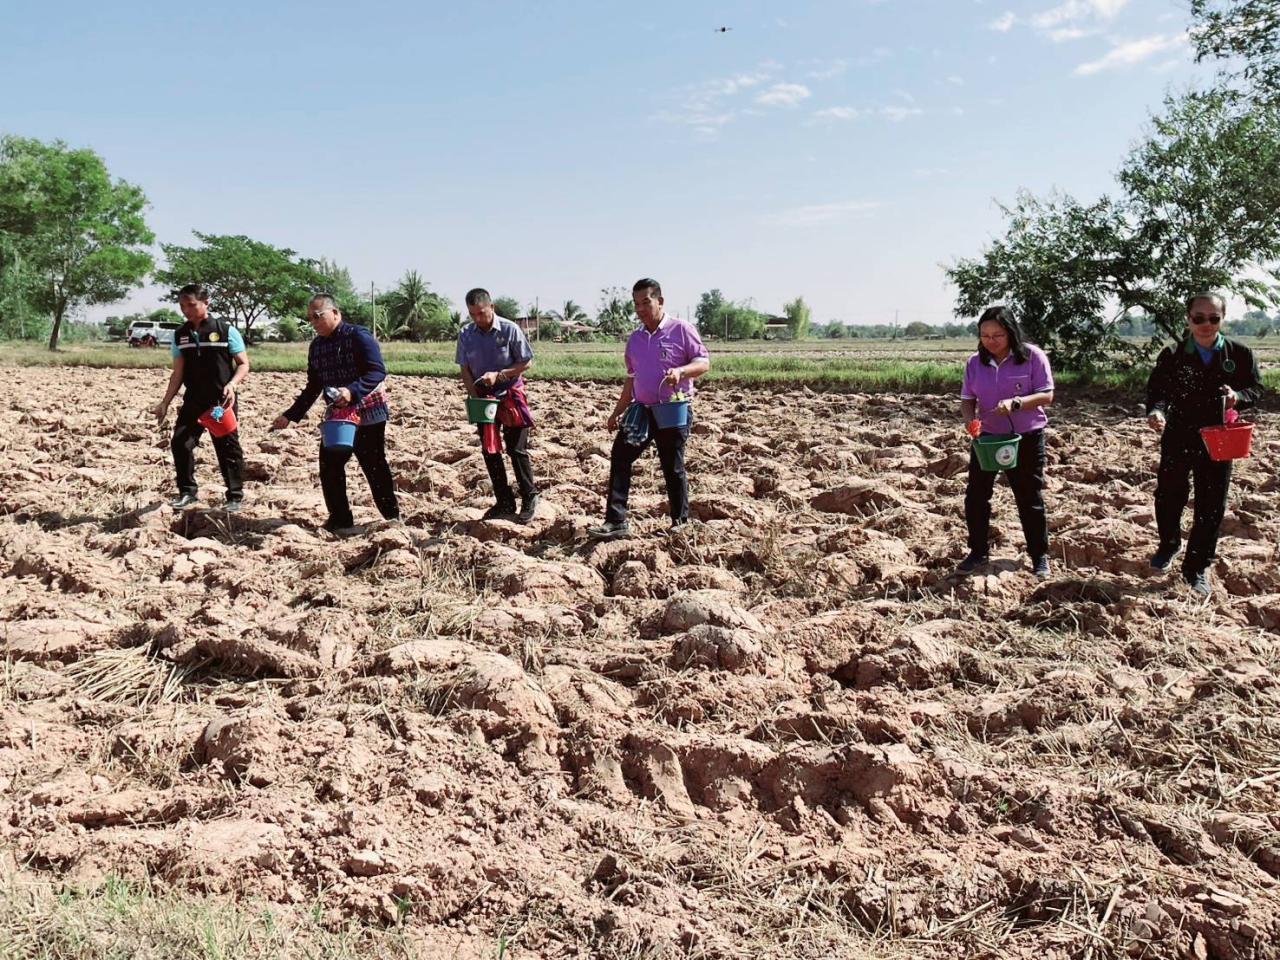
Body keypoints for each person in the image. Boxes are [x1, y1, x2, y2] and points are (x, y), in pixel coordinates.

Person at [1145, 292, 1264, 596]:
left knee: (1211, 506)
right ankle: (1169, 545)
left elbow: (1256, 388)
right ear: (1188, 319)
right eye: (1199, 318)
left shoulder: (1239, 354)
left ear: (1223, 319)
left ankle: (1196, 567)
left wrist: (1239, 397)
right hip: (1179, 434)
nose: (1206, 324)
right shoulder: (1173, 355)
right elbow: (1158, 391)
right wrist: (1157, 411)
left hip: (1220, 437)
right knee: (1169, 494)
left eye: (1213, 318)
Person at [588, 278, 710, 540]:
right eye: (636, 304)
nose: (641, 309)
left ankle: (680, 522)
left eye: (646, 302)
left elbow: (703, 362)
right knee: (620, 456)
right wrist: (616, 411)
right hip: (641, 412)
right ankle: (616, 521)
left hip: (672, 410)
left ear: (660, 301)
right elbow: (631, 380)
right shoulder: (635, 339)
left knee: (672, 466)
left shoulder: (681, 330)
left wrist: (681, 371)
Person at [271, 294, 400, 533]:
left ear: (335, 313)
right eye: (311, 318)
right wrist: (290, 415)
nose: (314, 322)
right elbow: (313, 386)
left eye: (318, 316)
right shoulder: (316, 347)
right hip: (338, 414)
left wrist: (352, 391)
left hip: (368, 411)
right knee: (329, 465)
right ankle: (340, 519)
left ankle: (392, 518)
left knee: (373, 464)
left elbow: (377, 372)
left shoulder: (358, 336)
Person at [958, 305, 1056, 578]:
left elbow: (1046, 395)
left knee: (1028, 497)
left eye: (997, 335)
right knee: (977, 496)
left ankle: (1039, 556)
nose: (990, 341)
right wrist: (970, 421)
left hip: (1026, 437)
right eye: (985, 335)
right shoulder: (975, 363)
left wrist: (1017, 403)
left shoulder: (1032, 357)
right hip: (988, 438)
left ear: (1011, 333)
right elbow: (968, 400)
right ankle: (978, 551)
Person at [153, 283, 249, 512]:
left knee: (227, 447)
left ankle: (234, 497)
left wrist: (232, 384)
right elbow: (178, 373)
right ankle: (187, 493)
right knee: (180, 442)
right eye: (182, 306)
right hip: (193, 400)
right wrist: (165, 402)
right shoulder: (180, 335)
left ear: (206, 303)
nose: (186, 310)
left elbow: (244, 364)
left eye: (191, 305)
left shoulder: (225, 331)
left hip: (220, 402)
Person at [456, 288, 540, 523]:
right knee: (490, 450)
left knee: (516, 449)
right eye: (473, 314)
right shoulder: (466, 334)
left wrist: (501, 375)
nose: (478, 319)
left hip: (510, 395)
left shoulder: (509, 329)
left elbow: (526, 362)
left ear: (491, 308)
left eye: (481, 313)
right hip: (484, 398)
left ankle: (529, 496)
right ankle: (504, 501)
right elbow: (464, 369)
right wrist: (474, 396)